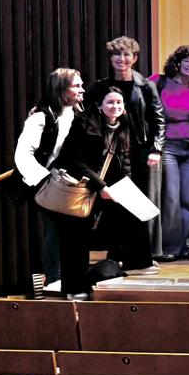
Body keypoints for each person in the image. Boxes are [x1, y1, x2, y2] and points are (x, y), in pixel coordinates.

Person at [43, 90, 133, 301]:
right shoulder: (84, 123)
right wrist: (101, 185)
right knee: (73, 240)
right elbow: (73, 160)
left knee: (84, 239)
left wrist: (125, 185)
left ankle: (82, 286)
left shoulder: (123, 125)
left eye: (119, 102)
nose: (115, 106)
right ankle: (72, 289)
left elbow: (124, 159)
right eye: (110, 102)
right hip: (74, 187)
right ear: (100, 105)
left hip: (96, 189)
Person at [86, 36, 164, 272]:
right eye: (117, 54)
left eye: (127, 54)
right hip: (110, 154)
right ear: (111, 58)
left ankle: (138, 258)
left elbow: (158, 119)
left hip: (139, 153)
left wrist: (156, 148)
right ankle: (118, 256)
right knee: (114, 205)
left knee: (136, 204)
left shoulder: (145, 85)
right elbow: (87, 115)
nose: (122, 59)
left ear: (135, 58)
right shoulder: (100, 87)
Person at [14, 67, 83, 291]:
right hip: (46, 183)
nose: (82, 89)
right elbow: (23, 154)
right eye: (76, 85)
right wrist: (44, 182)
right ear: (62, 90)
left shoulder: (79, 112)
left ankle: (71, 279)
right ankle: (54, 279)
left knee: (72, 231)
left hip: (70, 183)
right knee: (54, 230)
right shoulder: (41, 117)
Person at [149, 45, 189, 261]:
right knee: (171, 199)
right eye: (187, 60)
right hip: (168, 148)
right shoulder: (158, 81)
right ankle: (168, 248)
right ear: (177, 61)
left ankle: (185, 244)